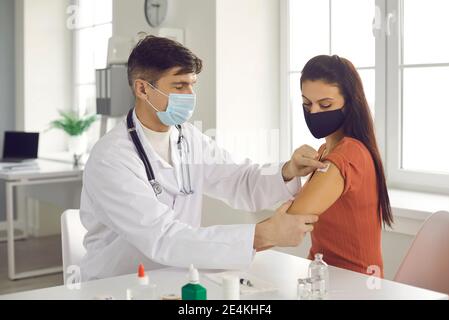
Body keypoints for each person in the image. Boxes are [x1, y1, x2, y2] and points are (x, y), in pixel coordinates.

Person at [79, 35, 324, 281]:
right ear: (143, 89)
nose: (190, 94)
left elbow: (240, 180)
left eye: (192, 84)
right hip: (118, 285)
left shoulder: (189, 138)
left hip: (177, 280)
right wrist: (260, 235)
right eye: (179, 86)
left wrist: (288, 170)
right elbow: (162, 237)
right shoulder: (111, 158)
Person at [287, 55, 393, 278]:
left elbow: (291, 221)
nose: (314, 112)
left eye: (325, 104)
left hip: (355, 285)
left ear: (350, 102)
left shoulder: (349, 154)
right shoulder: (324, 151)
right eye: (307, 104)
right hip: (323, 276)